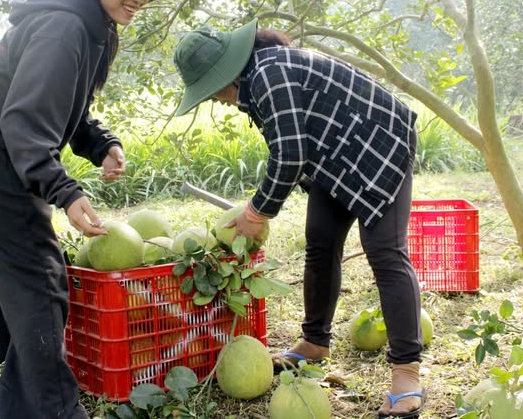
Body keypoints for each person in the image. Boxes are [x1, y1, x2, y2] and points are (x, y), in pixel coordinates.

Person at [0, 0, 176, 419]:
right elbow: (23, 122)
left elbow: (66, 109)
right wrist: (63, 190)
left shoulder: (90, 25)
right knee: (39, 276)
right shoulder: (65, 27)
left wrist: (101, 142)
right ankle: (49, 409)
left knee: (3, 268)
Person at [172, 20, 424, 418]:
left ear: (227, 73)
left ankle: (406, 371)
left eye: (211, 88)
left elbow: (289, 154)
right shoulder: (257, 79)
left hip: (380, 143)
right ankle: (314, 342)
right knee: (320, 244)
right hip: (333, 156)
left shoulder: (268, 74)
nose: (214, 99)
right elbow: (298, 146)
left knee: (385, 252)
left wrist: (256, 212)